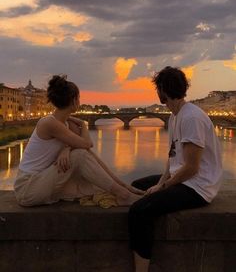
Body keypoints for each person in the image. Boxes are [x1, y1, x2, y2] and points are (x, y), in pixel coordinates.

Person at [128, 66, 223, 272]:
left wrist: (163, 187)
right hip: (183, 179)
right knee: (136, 186)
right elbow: (172, 159)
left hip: (198, 187)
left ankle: (141, 269)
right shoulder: (174, 116)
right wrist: (161, 183)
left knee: (139, 212)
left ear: (162, 90)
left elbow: (191, 168)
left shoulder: (191, 118)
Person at [14, 75, 144, 207]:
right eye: (79, 98)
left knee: (97, 186)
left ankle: (124, 191)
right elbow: (87, 144)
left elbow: (89, 154)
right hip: (28, 188)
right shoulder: (48, 123)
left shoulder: (66, 124)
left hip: (44, 181)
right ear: (74, 101)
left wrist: (66, 149)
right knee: (80, 155)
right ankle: (124, 194)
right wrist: (84, 124)